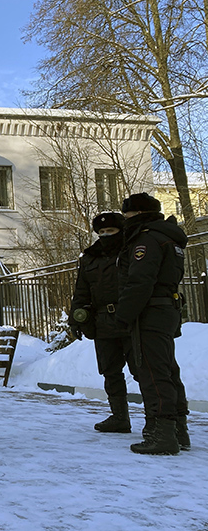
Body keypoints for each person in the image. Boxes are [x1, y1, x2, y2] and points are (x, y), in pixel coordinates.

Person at [116, 193, 190, 455]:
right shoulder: (169, 237)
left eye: (127, 215)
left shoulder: (146, 240)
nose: (125, 221)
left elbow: (140, 281)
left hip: (150, 311)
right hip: (166, 309)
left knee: (152, 371)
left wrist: (123, 314)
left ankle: (161, 433)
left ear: (137, 214)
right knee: (167, 369)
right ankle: (178, 429)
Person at [69, 212, 138, 434]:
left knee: (141, 370)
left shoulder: (131, 251)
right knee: (110, 371)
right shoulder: (90, 258)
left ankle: (155, 419)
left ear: (121, 231)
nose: (106, 235)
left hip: (130, 319)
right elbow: (81, 291)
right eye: (101, 232)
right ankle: (119, 416)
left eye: (111, 231)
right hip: (102, 322)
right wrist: (76, 318)